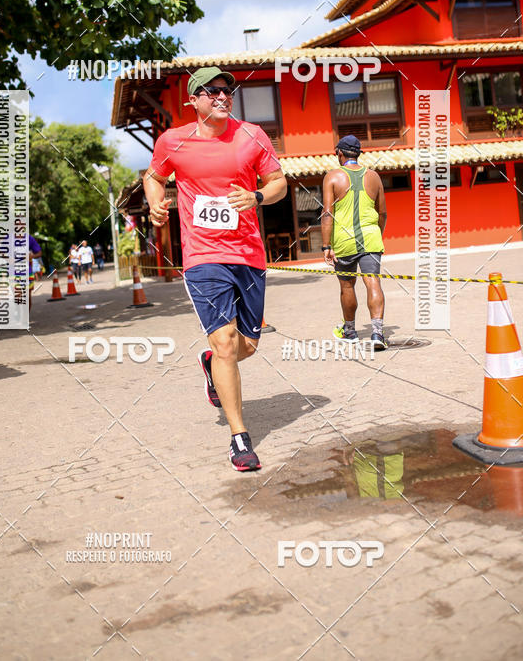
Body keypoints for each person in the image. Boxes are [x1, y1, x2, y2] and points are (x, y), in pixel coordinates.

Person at [143, 66, 287, 472]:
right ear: (194, 100)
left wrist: (257, 196)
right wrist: (155, 202)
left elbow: (278, 183)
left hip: (248, 255)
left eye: (228, 90)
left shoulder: (252, 135)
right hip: (202, 255)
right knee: (225, 341)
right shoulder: (174, 141)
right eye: (212, 91)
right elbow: (154, 176)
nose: (223, 96)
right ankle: (239, 438)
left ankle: (210, 365)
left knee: (247, 346)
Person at [321, 134, 387, 350]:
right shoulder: (374, 177)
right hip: (370, 238)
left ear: (340, 153)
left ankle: (350, 331)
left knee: (347, 285)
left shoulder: (332, 177)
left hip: (344, 241)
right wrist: (377, 234)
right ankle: (377, 333)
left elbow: (327, 214)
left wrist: (326, 246)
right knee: (373, 281)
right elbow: (382, 213)